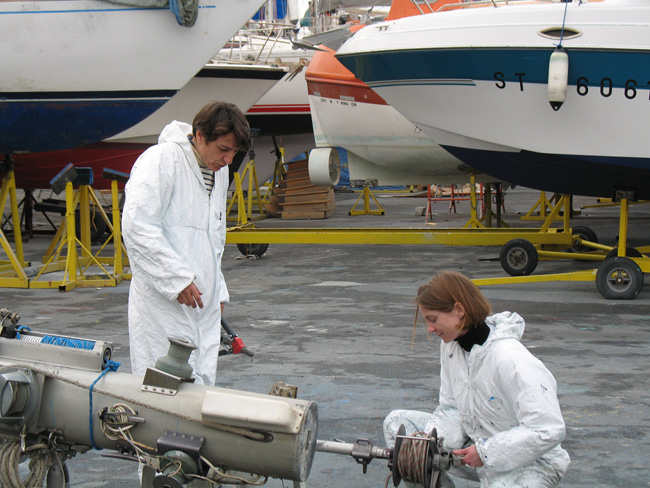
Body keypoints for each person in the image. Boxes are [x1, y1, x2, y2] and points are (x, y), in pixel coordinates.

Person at [384, 271, 570, 487]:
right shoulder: (451, 347)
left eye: (433, 320)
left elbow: (547, 429)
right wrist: (425, 445)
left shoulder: (509, 357)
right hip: (476, 445)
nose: (431, 329)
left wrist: (485, 452)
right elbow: (451, 408)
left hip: (531, 462)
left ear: (459, 310)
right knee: (398, 426)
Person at [122, 100, 250, 386]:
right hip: (163, 303)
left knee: (200, 386)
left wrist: (219, 293)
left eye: (234, 153)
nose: (229, 160)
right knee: (163, 386)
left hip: (202, 303)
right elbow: (137, 225)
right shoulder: (161, 160)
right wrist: (176, 279)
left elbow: (213, 238)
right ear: (200, 135)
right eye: (224, 149)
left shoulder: (218, 173)